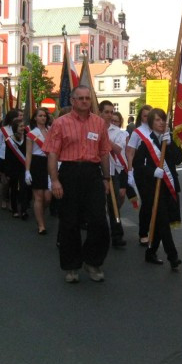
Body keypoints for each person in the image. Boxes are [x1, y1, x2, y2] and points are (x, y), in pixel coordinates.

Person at [44, 85, 111, 283]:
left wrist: (106, 178)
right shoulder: (60, 123)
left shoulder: (99, 123)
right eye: (80, 98)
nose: (84, 102)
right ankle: (71, 266)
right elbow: (52, 153)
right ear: (72, 101)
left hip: (92, 173)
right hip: (70, 172)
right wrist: (55, 180)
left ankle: (93, 261)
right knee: (69, 222)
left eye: (87, 98)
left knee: (98, 220)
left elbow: (104, 152)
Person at [133, 108, 182, 269]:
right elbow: (137, 165)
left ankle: (151, 252)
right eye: (157, 120)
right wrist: (152, 171)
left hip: (169, 186)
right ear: (151, 123)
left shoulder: (169, 138)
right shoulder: (147, 142)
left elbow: (179, 159)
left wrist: (170, 143)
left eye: (163, 119)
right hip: (153, 188)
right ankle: (173, 257)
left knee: (163, 222)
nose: (161, 123)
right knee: (163, 222)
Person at [99, 100, 128, 247]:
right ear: (100, 112)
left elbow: (117, 149)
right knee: (97, 205)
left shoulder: (118, 132)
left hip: (112, 172)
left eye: (112, 112)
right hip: (95, 171)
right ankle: (99, 235)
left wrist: (103, 137)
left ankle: (117, 235)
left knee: (114, 204)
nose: (110, 115)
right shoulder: (92, 128)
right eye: (106, 112)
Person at [126, 104, 153, 245]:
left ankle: (154, 229)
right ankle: (143, 232)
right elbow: (130, 152)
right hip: (141, 171)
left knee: (155, 203)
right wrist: (130, 171)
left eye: (150, 115)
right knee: (147, 202)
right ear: (141, 118)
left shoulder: (158, 130)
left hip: (156, 172)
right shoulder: (138, 132)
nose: (148, 118)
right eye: (145, 115)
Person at [25, 108, 52, 234]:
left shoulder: (50, 131)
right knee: (39, 196)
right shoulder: (32, 134)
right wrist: (27, 171)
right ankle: (41, 225)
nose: (43, 118)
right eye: (40, 116)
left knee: (48, 197)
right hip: (37, 163)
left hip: (49, 163)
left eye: (44, 116)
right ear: (35, 118)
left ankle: (39, 212)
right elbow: (29, 153)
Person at [0, 109, 22, 210]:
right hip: (4, 157)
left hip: (16, 157)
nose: (19, 118)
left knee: (14, 181)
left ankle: (12, 200)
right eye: (17, 116)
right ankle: (4, 199)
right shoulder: (3, 129)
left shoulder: (21, 128)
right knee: (5, 181)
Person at [4, 118, 29, 219]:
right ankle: (14, 209)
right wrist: (7, 172)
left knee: (24, 188)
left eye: (23, 126)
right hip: (13, 168)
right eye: (20, 126)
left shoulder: (27, 138)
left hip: (24, 166)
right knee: (13, 189)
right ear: (15, 128)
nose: (23, 128)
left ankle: (23, 210)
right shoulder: (9, 140)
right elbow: (8, 157)